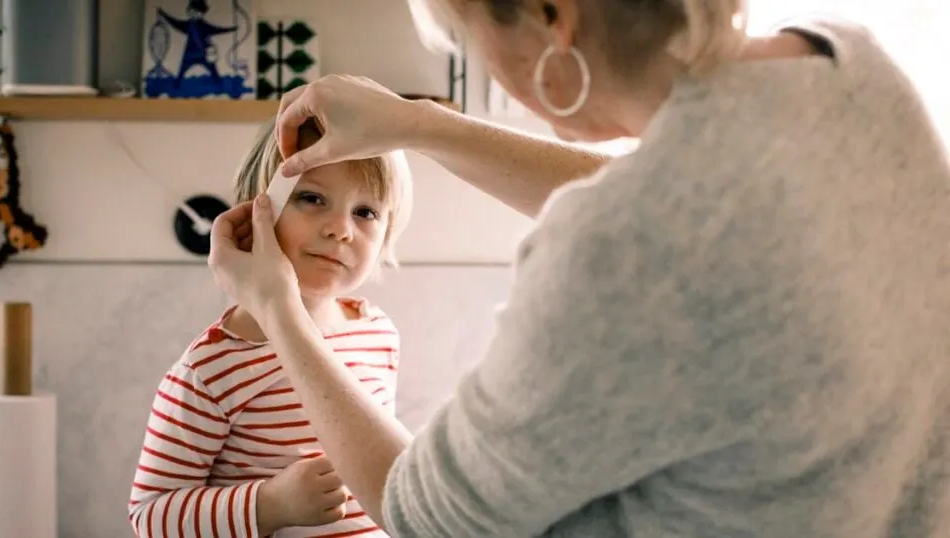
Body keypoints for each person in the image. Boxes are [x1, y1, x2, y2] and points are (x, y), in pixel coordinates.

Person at [206, 0, 950, 536]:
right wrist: (416, 123)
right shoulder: (853, 66)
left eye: (469, 38)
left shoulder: (616, 251)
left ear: (551, 18)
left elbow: (428, 516)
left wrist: (280, 313)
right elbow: (694, 204)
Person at [128, 119, 413, 538]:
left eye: (366, 211)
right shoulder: (211, 368)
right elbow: (149, 516)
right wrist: (270, 504)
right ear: (253, 212)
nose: (340, 229)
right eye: (312, 198)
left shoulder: (376, 334)